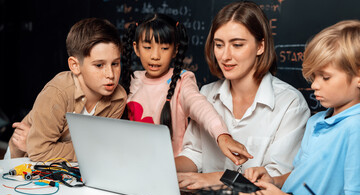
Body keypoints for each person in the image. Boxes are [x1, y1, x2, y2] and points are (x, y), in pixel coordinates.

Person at [176, 1, 310, 189]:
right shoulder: (207, 94)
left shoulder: (289, 103)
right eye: (219, 45)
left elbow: (276, 176)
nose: (225, 56)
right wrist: (164, 166)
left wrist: (215, 178)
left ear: (260, 47)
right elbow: (194, 154)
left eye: (237, 45)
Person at [243, 20, 360, 195]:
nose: (314, 85)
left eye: (325, 77)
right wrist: (275, 181)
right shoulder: (317, 121)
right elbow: (302, 175)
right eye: (314, 77)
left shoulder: (355, 127)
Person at [120, 13, 252, 164]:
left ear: (175, 50)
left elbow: (200, 106)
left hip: (170, 173)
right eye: (147, 47)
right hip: (128, 166)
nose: (155, 56)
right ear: (136, 48)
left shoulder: (183, 81)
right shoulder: (131, 80)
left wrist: (222, 135)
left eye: (164, 48)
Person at [6, 18, 127, 162]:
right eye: (99, 65)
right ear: (75, 65)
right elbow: (39, 153)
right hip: (23, 162)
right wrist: (38, 149)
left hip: (72, 166)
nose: (111, 74)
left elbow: (102, 148)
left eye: (115, 63)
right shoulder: (57, 93)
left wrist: (35, 146)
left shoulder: (118, 98)